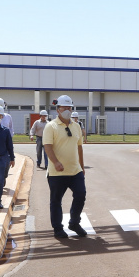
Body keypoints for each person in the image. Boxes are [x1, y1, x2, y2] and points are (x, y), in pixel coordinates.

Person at [43, 95, 86, 239]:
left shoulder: (76, 126)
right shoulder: (51, 126)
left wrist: (82, 166)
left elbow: (79, 148)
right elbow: (47, 146)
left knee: (80, 195)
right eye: (64, 108)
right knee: (56, 201)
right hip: (57, 173)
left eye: (69, 108)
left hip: (75, 171)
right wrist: (55, 162)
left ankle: (74, 222)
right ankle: (57, 228)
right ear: (58, 110)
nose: (67, 110)